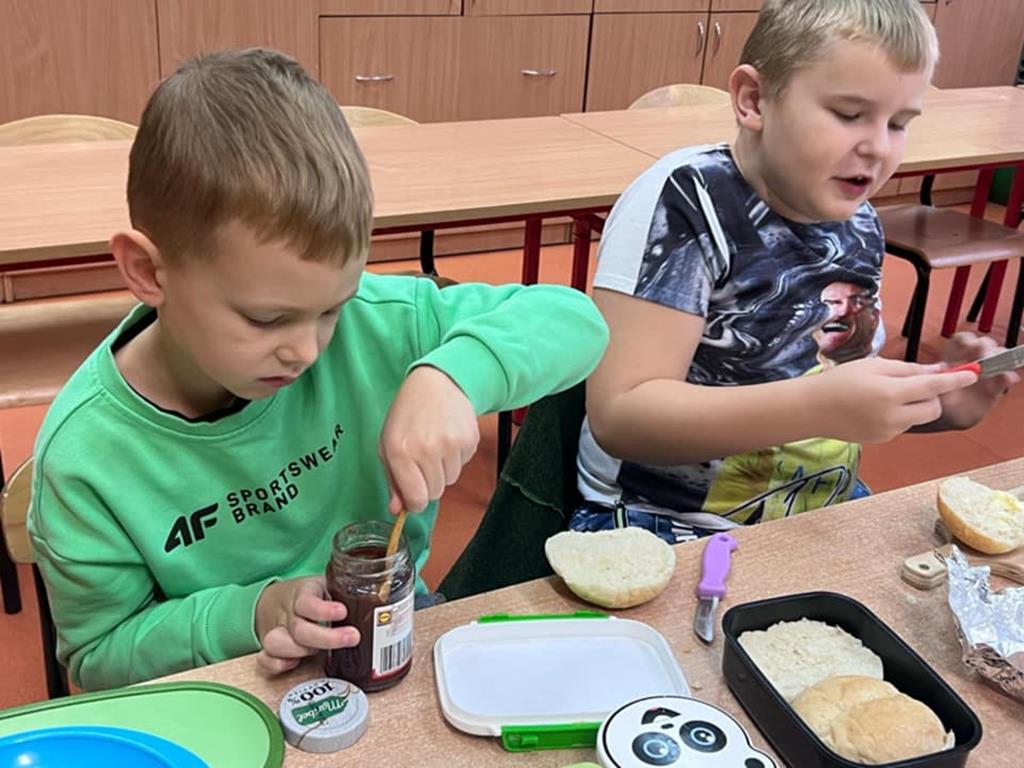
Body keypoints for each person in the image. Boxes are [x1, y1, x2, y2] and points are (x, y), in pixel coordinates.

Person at [28, 48, 608, 690]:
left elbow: (577, 321)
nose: (307, 350)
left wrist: (455, 375)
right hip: (222, 685)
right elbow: (100, 657)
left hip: (391, 647)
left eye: (332, 307)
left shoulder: (377, 323)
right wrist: (251, 614)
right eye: (266, 319)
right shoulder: (87, 456)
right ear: (147, 271)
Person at [573, 0, 1018, 544]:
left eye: (899, 123)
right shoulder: (687, 203)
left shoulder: (857, 220)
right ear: (753, 99)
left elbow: (840, 399)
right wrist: (819, 406)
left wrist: (944, 404)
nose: (878, 147)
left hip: (816, 511)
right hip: (665, 521)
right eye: (848, 114)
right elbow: (621, 418)